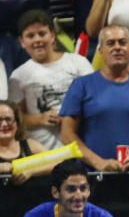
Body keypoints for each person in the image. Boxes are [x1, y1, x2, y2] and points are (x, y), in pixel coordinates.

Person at [60, 25, 129, 172]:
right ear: (100, 50)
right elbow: (67, 135)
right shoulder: (81, 85)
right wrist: (99, 163)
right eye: (110, 43)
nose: (117, 47)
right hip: (93, 176)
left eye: (122, 42)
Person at [10, 10, 93, 151]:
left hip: (83, 146)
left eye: (42, 34)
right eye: (30, 36)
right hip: (45, 152)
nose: (37, 40)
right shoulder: (18, 76)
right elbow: (15, 118)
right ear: (22, 42)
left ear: (53, 35)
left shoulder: (79, 63)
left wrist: (72, 118)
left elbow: (95, 100)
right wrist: (41, 118)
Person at [0, 100, 45, 183]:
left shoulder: (30, 145)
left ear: (17, 122)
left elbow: (58, 164)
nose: (4, 124)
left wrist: (31, 171)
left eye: (8, 119)